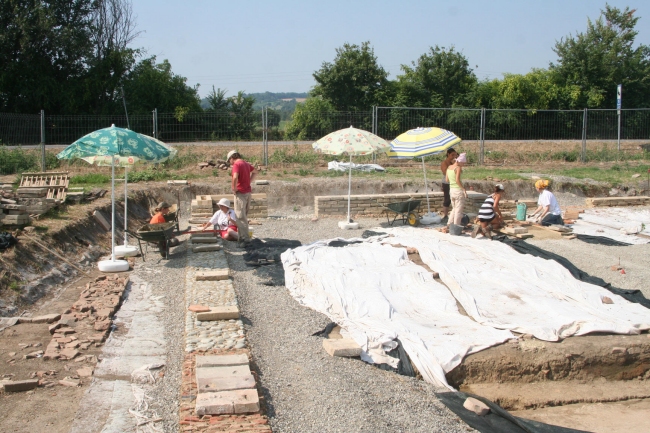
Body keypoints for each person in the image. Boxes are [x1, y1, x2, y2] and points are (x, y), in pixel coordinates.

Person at [227, 150, 256, 246]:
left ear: (232, 158)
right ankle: (241, 238)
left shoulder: (237, 164)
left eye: (229, 160)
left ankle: (245, 240)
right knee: (243, 216)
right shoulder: (246, 164)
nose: (230, 163)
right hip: (247, 193)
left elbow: (235, 177)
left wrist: (234, 188)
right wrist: (248, 182)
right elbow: (255, 172)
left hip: (241, 194)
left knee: (240, 217)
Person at [445, 152, 468, 227]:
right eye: (463, 163)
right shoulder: (457, 168)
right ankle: (456, 226)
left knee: (454, 209)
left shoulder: (449, 167)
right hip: (458, 191)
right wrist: (463, 189)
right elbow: (457, 180)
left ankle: (449, 224)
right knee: (458, 210)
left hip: (451, 190)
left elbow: (447, 180)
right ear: (459, 162)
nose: (463, 165)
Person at [440, 148, 459, 224]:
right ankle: (445, 215)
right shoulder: (444, 163)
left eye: (455, 155)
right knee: (447, 199)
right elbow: (445, 173)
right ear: (448, 154)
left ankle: (454, 215)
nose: (454, 156)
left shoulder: (455, 162)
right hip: (447, 183)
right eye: (452, 155)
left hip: (454, 182)